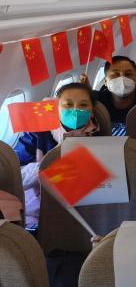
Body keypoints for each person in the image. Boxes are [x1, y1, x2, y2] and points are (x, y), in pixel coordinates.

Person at [13, 82, 101, 229]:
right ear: (57, 108)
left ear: (92, 111)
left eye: (83, 105)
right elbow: (17, 176)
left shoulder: (98, 136)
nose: (75, 110)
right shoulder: (37, 134)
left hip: (80, 209)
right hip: (37, 205)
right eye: (68, 104)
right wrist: (50, 163)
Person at [96, 56, 136, 135]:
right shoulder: (98, 104)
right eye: (115, 74)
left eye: (128, 74)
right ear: (105, 82)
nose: (122, 79)